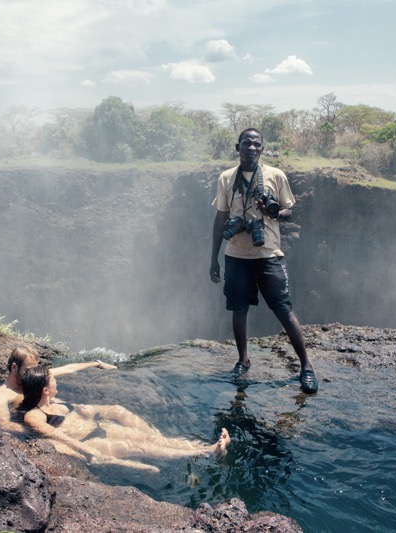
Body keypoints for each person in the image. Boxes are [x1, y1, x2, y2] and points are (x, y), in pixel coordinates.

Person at [209, 128, 318, 393]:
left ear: (262, 149)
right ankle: (243, 360)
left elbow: (290, 211)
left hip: (269, 255)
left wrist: (273, 212)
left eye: (256, 144)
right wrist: (213, 258)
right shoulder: (226, 178)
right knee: (238, 309)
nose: (251, 148)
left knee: (283, 308)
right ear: (238, 147)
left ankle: (306, 367)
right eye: (246, 143)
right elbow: (221, 218)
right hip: (236, 255)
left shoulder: (275, 175)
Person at [20, 366, 231, 472]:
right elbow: (59, 438)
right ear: (45, 390)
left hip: (102, 428)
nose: (58, 381)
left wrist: (91, 411)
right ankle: (207, 452)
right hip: (91, 442)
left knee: (153, 439)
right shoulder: (34, 416)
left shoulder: (58, 400)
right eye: (54, 380)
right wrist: (90, 453)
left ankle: (207, 447)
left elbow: (84, 413)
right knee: (141, 448)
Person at [0, 345, 118, 433]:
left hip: (66, 413)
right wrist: (43, 429)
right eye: (28, 370)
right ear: (14, 367)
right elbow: (3, 424)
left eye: (35, 368)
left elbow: (68, 368)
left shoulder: (34, 376)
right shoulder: (0, 395)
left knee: (117, 413)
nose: (33, 373)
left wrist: (97, 364)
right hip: (51, 425)